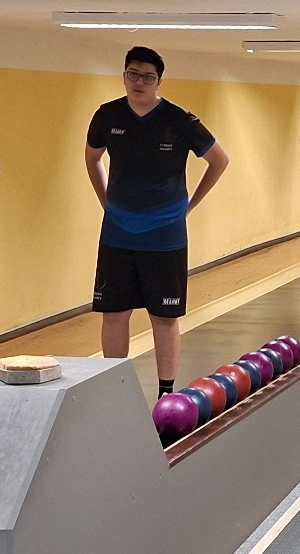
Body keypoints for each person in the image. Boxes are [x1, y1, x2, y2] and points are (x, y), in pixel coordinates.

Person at [85, 46, 229, 398]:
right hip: (118, 235)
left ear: (159, 82)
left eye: (148, 77)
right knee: (114, 313)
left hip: (165, 236)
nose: (139, 82)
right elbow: (92, 158)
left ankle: (166, 393)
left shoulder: (179, 120)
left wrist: (188, 207)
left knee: (164, 317)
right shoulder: (106, 115)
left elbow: (219, 160)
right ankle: (115, 389)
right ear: (124, 76)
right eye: (133, 74)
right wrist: (106, 203)